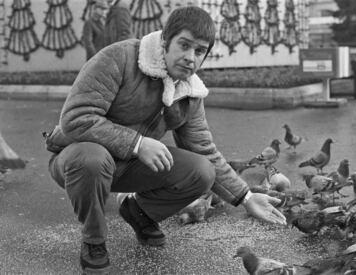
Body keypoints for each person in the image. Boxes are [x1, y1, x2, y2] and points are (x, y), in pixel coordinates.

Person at [44, 6, 286, 274]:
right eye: (184, 45)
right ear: (164, 41)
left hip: (127, 165)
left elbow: (205, 151)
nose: (190, 57)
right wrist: (137, 143)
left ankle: (140, 213)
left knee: (201, 171)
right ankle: (93, 240)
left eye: (199, 51)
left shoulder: (189, 91)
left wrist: (246, 196)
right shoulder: (119, 57)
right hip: (77, 161)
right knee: (92, 158)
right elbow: (76, 117)